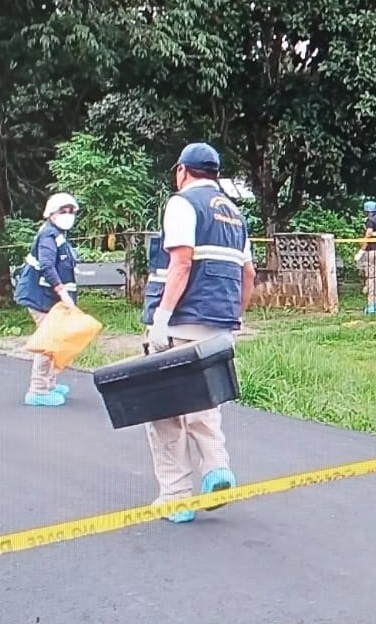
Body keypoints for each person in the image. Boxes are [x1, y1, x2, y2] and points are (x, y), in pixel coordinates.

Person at [141, 142, 257, 524]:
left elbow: (181, 262)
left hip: (181, 322)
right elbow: (248, 275)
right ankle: (217, 469)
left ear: (182, 171)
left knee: (164, 410)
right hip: (219, 324)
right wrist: (232, 319)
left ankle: (176, 496)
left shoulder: (182, 203)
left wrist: (162, 318)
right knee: (204, 402)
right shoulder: (234, 214)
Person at [13, 192, 81, 407]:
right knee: (48, 342)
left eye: (71, 211)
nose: (68, 215)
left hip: (49, 298)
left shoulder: (58, 234)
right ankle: (39, 389)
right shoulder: (48, 236)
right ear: (51, 214)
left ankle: (49, 383)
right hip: (40, 297)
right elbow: (47, 266)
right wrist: (62, 292)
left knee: (54, 340)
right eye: (63, 211)